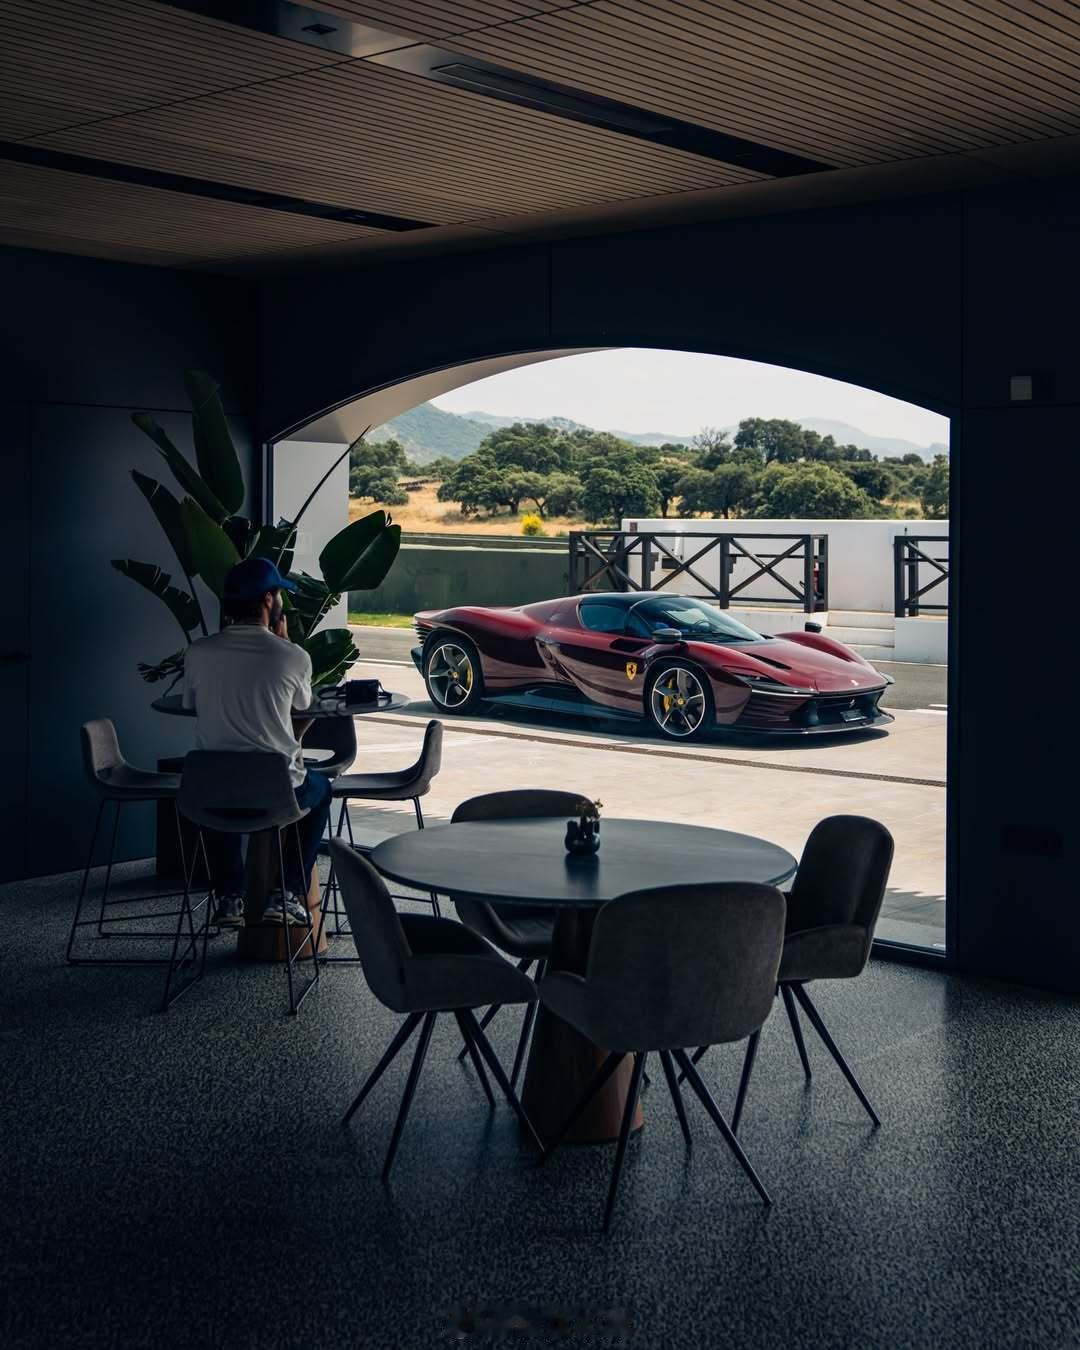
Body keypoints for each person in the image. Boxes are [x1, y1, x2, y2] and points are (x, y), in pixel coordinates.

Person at [182, 556, 332, 929]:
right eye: (279, 593)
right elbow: (301, 711)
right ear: (269, 600)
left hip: (208, 789)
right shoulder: (292, 656)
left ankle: (230, 897)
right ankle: (285, 893)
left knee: (225, 784)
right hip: (276, 793)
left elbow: (190, 705)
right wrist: (286, 646)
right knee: (322, 788)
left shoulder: (198, 652)